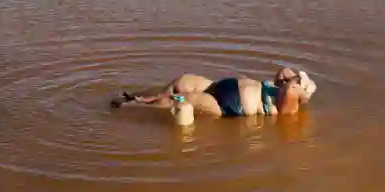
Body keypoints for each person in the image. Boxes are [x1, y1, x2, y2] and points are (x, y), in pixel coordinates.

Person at [111, 67, 316, 117]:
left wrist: (298, 85)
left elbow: (290, 90)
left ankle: (133, 106)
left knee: (180, 100)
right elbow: (283, 73)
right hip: (217, 85)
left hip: (224, 104)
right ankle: (142, 97)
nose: (294, 79)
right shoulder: (278, 86)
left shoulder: (289, 105)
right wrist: (290, 73)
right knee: (181, 83)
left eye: (298, 81)